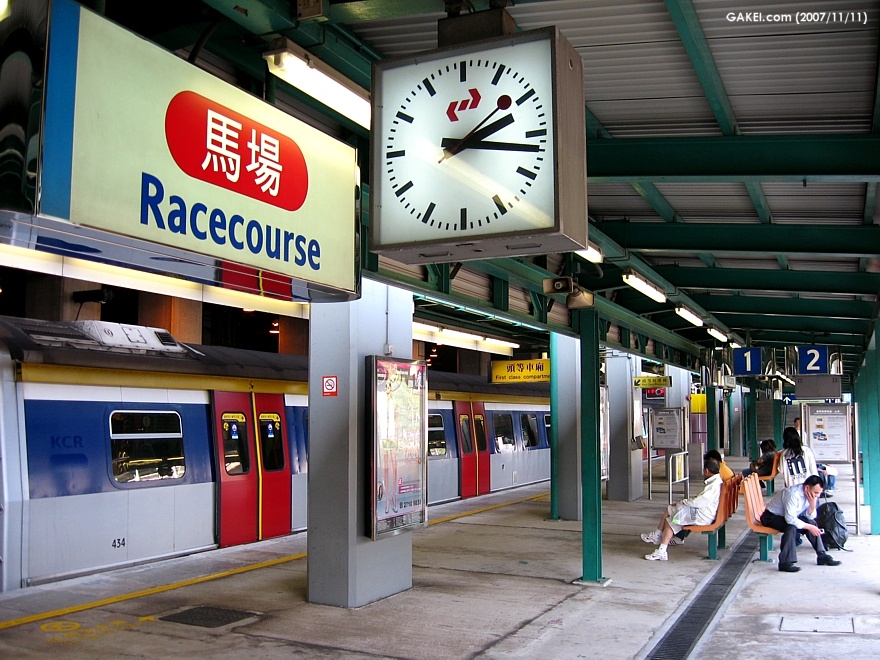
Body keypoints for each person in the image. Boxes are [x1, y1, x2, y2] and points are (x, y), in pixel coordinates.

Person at [640, 458, 722, 561]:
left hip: (703, 516)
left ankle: (661, 550)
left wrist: (684, 502)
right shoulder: (717, 482)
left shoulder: (713, 486)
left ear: (706, 470)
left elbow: (700, 502)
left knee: (672, 520)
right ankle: (657, 537)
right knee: (671, 509)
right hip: (707, 513)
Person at [759, 474, 842, 572]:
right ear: (807, 488)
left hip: (786, 516)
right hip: (771, 517)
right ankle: (785, 563)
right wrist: (809, 527)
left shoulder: (810, 495)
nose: (817, 495)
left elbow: (810, 516)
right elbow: (790, 519)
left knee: (811, 522)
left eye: (819, 493)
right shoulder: (792, 494)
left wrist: (812, 505)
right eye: (816, 492)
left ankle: (822, 555)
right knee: (791, 527)